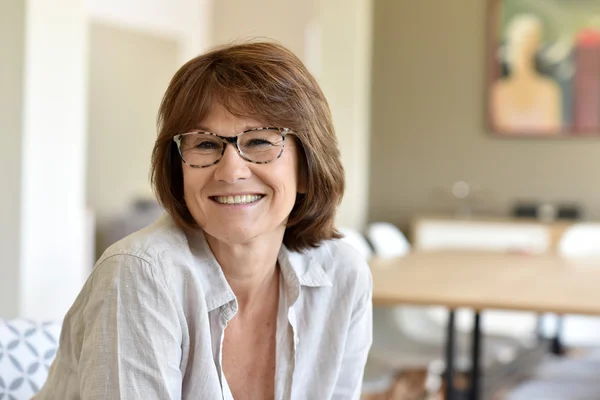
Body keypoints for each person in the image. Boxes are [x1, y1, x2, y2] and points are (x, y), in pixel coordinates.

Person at [34, 41, 373, 399]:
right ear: (178, 169)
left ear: (307, 168)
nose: (231, 170)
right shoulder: (138, 275)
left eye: (259, 141)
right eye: (206, 144)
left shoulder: (342, 276)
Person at [491, 14, 562, 134]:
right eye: (519, 43)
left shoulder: (549, 90)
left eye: (530, 43)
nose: (523, 51)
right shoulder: (498, 91)